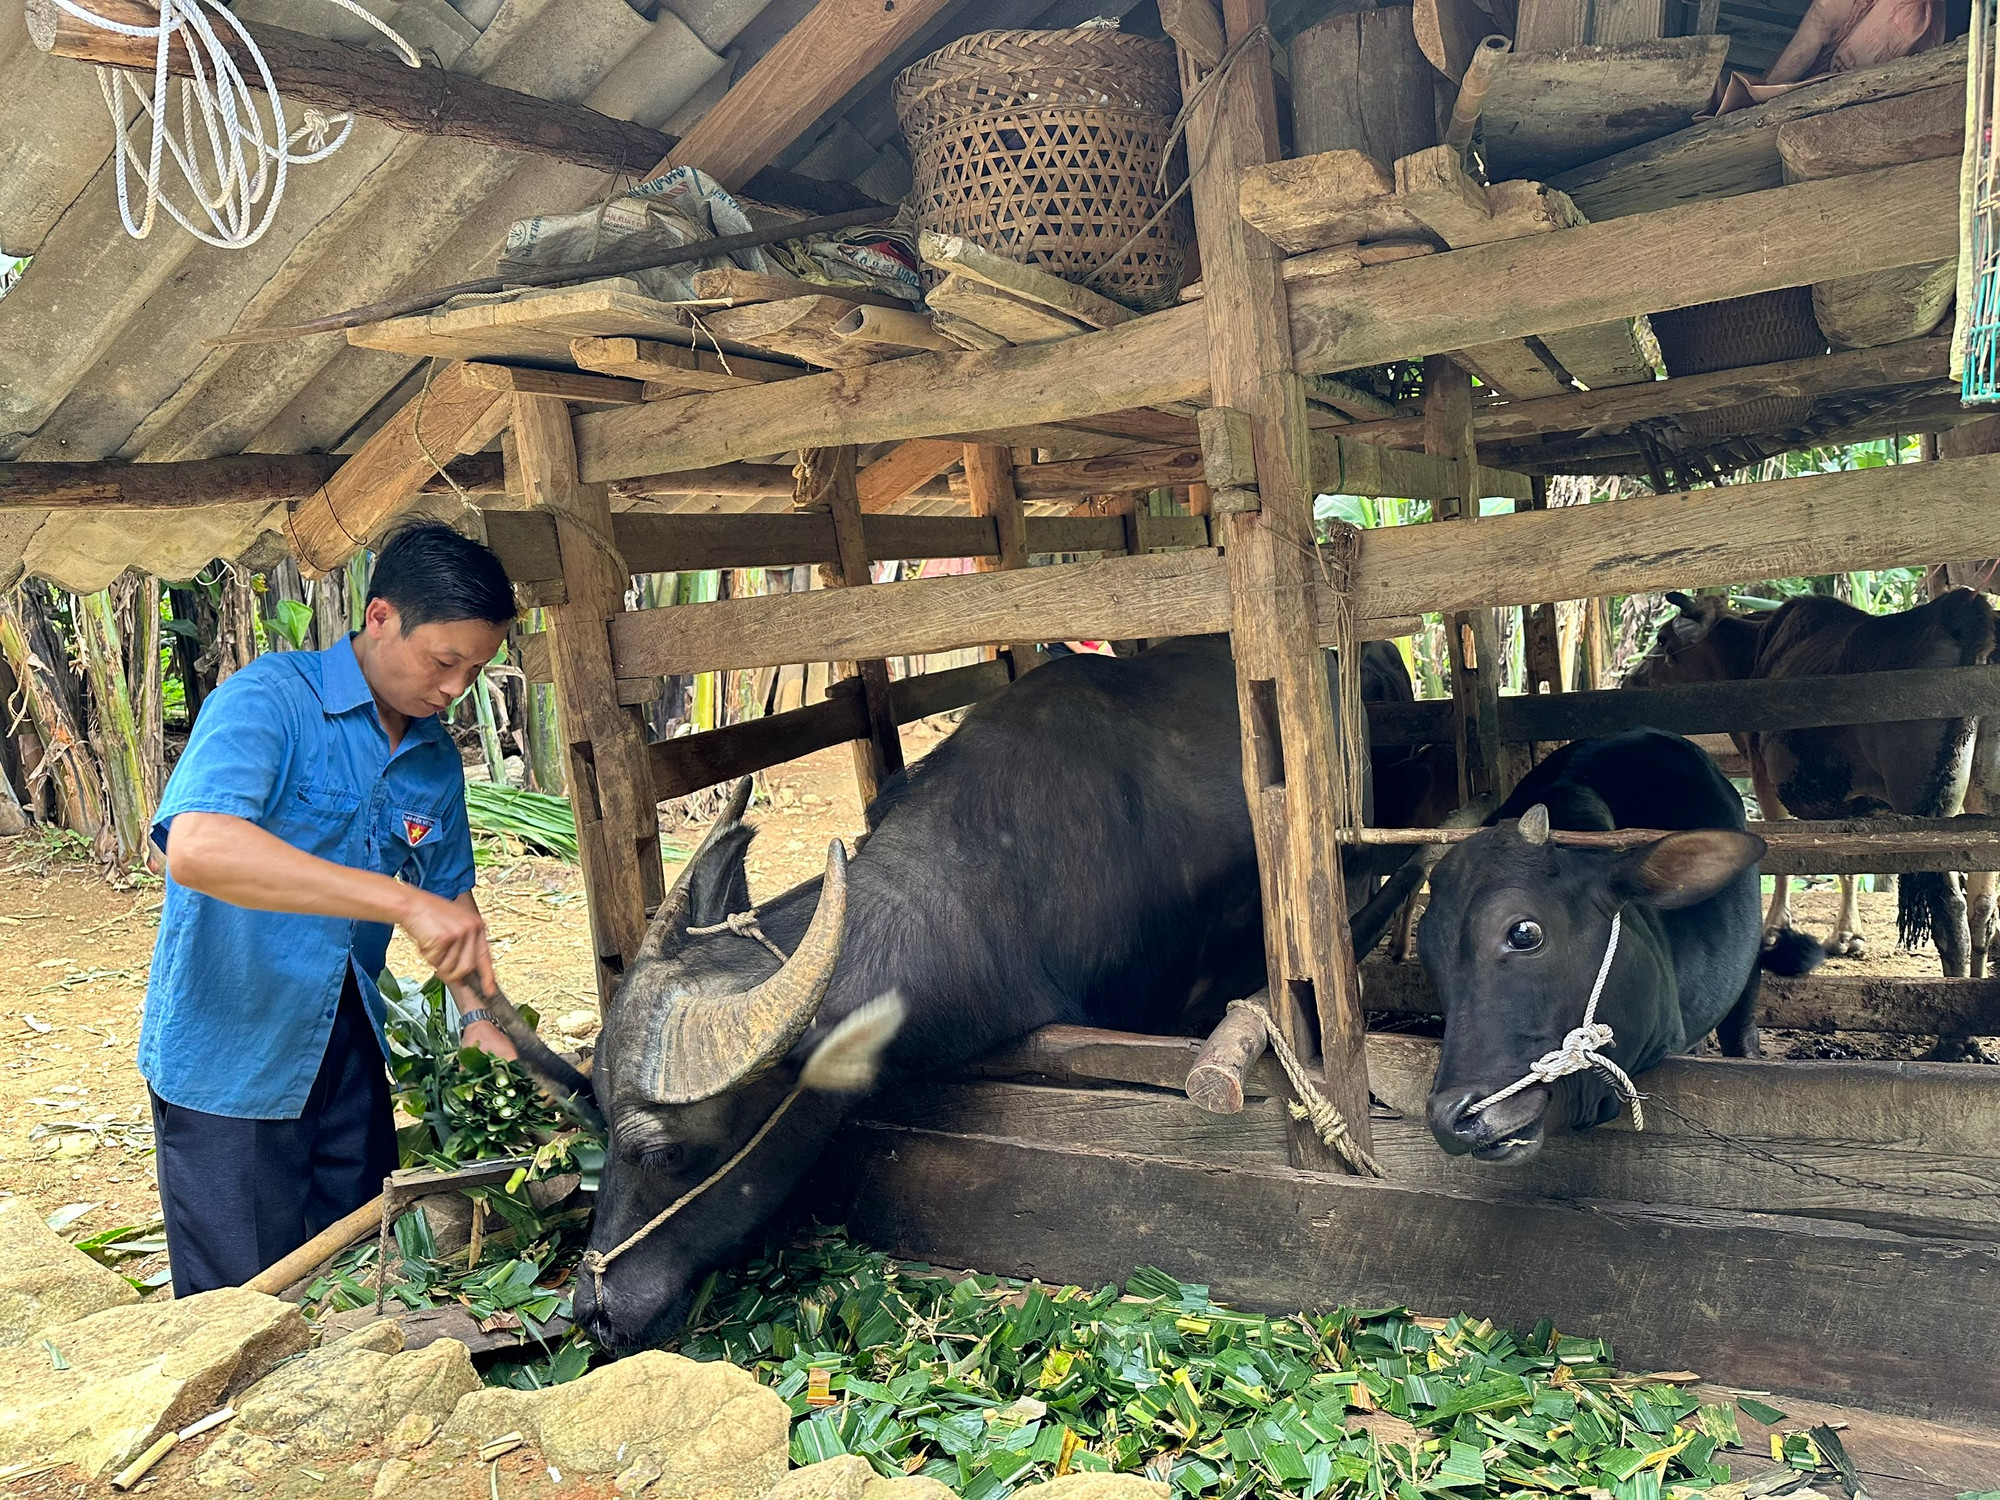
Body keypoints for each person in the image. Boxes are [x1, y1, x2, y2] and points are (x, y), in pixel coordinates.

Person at [142, 522, 522, 1296]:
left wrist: (484, 1017)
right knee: (241, 1308)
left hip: (347, 1046)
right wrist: (397, 900)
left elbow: (450, 895)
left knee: (353, 1280)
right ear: (380, 617)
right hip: (232, 1054)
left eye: (475, 672)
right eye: (444, 661)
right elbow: (197, 848)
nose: (455, 689)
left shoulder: (433, 753)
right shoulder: (270, 700)